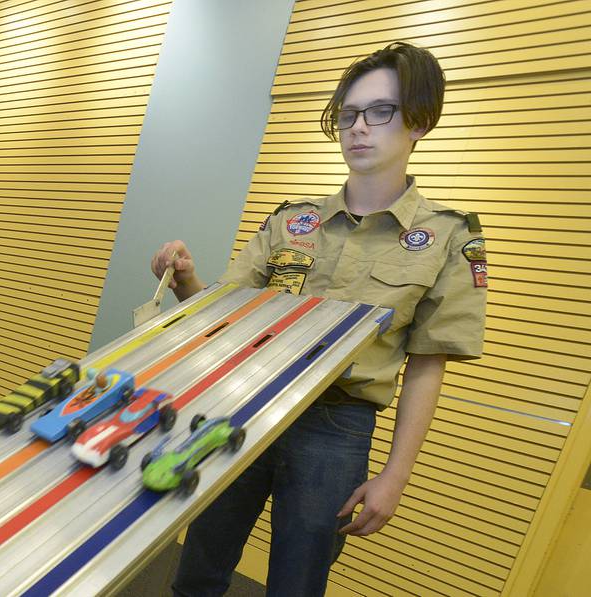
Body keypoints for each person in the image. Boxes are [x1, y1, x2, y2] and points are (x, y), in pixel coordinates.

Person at [150, 42, 487, 596]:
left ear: (420, 123)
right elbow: (223, 311)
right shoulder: (292, 220)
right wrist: (184, 277)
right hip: (246, 405)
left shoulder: (450, 236)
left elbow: (428, 365)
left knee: (298, 583)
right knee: (200, 566)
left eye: (382, 111)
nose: (359, 127)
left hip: (337, 427)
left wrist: (394, 477)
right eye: (349, 114)